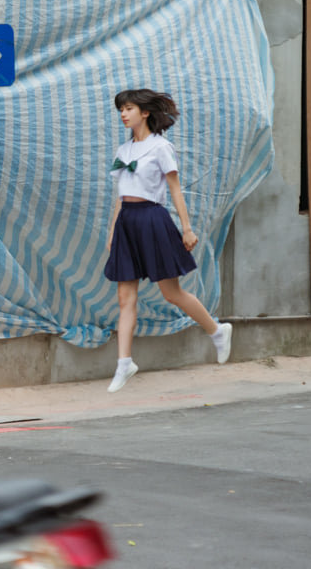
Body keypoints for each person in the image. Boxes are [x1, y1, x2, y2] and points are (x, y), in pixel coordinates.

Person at [103, 88, 232, 393]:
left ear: (144, 112)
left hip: (152, 219)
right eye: (121, 109)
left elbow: (174, 189)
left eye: (129, 108)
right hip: (127, 222)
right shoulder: (123, 151)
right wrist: (112, 232)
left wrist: (186, 229)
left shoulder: (161, 147)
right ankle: (124, 363)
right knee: (125, 298)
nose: (123, 114)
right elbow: (120, 196)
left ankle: (216, 331)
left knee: (171, 293)